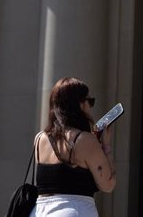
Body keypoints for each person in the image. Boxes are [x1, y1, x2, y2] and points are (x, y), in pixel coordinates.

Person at [30, 77, 116, 216]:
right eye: (90, 101)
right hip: (73, 211)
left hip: (40, 212)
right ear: (80, 105)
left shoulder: (40, 138)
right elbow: (108, 184)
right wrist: (106, 146)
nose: (91, 107)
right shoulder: (84, 140)